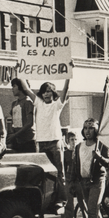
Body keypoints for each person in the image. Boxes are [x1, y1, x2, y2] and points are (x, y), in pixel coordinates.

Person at [20, 78, 70, 207]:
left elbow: (65, 90)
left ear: (53, 93)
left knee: (60, 172)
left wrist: (68, 75)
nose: (46, 94)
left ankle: (61, 199)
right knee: (45, 173)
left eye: (49, 91)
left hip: (55, 141)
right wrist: (19, 73)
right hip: (42, 142)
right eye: (44, 92)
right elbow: (26, 89)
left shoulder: (57, 105)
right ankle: (48, 199)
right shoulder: (38, 103)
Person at [70, 119, 109, 218]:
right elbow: (75, 165)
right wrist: (72, 182)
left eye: (91, 128)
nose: (88, 131)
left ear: (97, 130)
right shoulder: (79, 146)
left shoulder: (101, 145)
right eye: (86, 128)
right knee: (94, 212)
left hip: (97, 181)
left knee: (92, 212)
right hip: (83, 182)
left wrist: (99, 158)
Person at [7, 78, 36, 153]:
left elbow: (30, 123)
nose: (12, 89)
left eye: (14, 86)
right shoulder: (14, 103)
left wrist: (15, 134)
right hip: (17, 140)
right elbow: (10, 119)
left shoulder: (28, 102)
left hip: (28, 140)